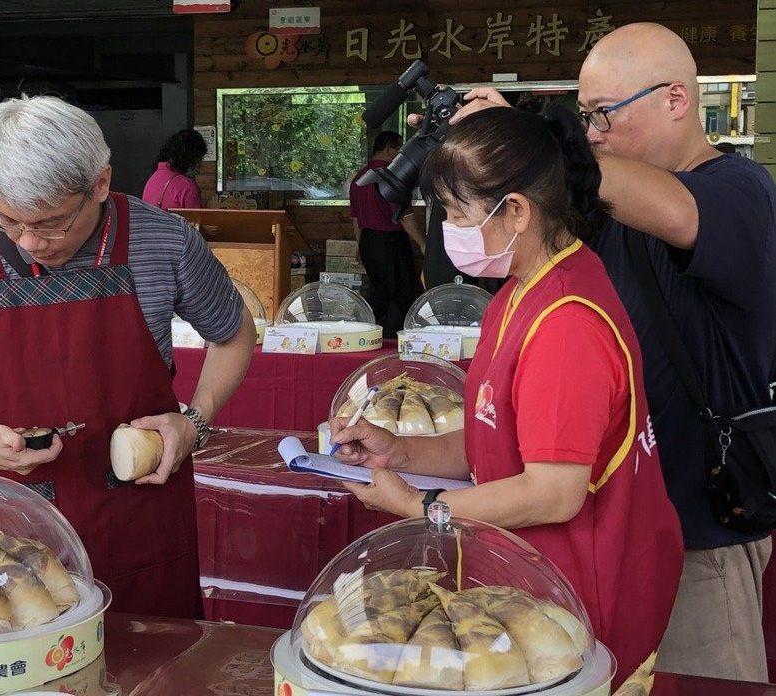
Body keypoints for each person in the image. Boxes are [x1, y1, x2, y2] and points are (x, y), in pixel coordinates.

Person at [452, 23, 776, 682]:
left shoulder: (737, 190)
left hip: (698, 534)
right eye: (582, 119)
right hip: (610, 536)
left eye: (602, 115)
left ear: (676, 100)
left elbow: (677, 215)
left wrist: (536, 146)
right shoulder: (609, 208)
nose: (591, 133)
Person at [330, 104, 683, 684]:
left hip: (578, 599)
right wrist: (398, 453)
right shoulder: (520, 290)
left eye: (454, 212)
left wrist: (418, 508)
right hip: (526, 583)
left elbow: (554, 493)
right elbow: (492, 436)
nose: (446, 228)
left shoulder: (567, 322)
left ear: (515, 210)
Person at [0, 95, 257, 619]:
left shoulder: (165, 242)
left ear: (100, 183)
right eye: (10, 221)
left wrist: (195, 421)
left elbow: (234, 333)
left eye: (52, 222)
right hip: (11, 527)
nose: (31, 242)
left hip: (140, 513)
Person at [350, 131, 427, 337]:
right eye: (398, 150)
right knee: (398, 295)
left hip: (368, 241)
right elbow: (405, 215)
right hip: (390, 242)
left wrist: (359, 244)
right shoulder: (391, 176)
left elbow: (355, 218)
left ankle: (366, 327)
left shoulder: (359, 177)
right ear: (388, 150)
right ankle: (389, 338)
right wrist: (422, 242)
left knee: (380, 290)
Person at [142, 128, 207, 211]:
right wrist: (213, 210)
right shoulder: (187, 186)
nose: (199, 166)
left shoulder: (152, 179)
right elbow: (196, 222)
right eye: (199, 159)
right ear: (192, 158)